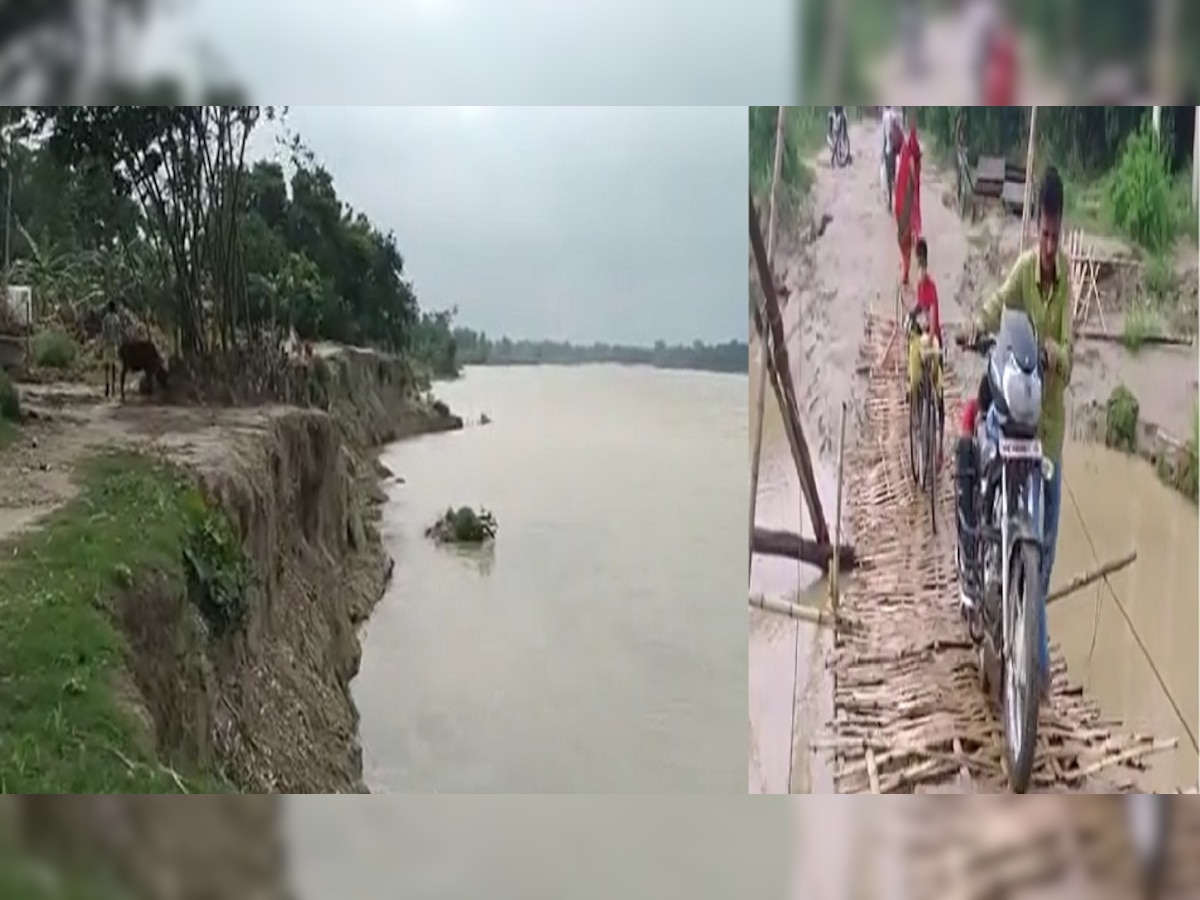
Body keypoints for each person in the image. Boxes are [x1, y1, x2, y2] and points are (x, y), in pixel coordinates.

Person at [955, 166, 1071, 696]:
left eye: (1055, 236)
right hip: (1018, 413)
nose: (1048, 246)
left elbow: (1071, 351)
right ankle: (1036, 664)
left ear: (1062, 232)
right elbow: (1000, 303)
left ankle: (1030, 647)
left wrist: (1056, 353)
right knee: (1002, 500)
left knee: (1044, 551)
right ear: (1036, 232)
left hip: (1049, 430)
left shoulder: (1066, 282)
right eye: (1043, 236)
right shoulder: (1025, 270)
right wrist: (974, 324)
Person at [906, 237, 944, 464]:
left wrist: (930, 335)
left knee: (939, 392)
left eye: (920, 263)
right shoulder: (921, 285)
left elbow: (932, 311)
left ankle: (939, 447)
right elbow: (921, 306)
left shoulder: (929, 284)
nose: (919, 268)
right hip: (925, 336)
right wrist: (912, 313)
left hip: (933, 338)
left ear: (923, 262)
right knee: (923, 381)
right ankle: (916, 403)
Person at [893, 112, 923, 288]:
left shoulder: (907, 148)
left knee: (904, 238)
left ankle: (906, 271)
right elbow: (912, 170)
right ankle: (911, 270)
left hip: (903, 200)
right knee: (910, 236)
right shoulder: (911, 147)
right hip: (907, 199)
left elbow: (909, 170)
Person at [101, 300, 122, 399]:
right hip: (114, 344)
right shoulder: (117, 319)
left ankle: (107, 385)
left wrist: (102, 343)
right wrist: (119, 343)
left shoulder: (105, 318)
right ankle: (113, 387)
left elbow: (104, 332)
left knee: (107, 366)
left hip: (108, 344)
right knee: (113, 365)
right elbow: (118, 333)